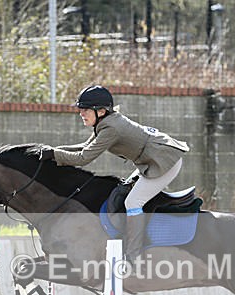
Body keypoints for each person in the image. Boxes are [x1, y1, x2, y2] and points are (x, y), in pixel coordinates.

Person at [39, 85, 189, 258]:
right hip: (152, 160)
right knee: (125, 192)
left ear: (101, 111)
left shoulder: (111, 128)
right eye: (81, 109)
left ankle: (133, 255)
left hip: (164, 161)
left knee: (133, 203)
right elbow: (84, 147)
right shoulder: (106, 123)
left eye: (85, 110)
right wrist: (53, 151)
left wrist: (54, 154)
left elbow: (83, 158)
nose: (81, 113)